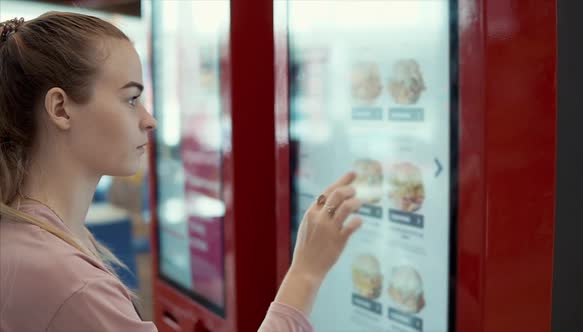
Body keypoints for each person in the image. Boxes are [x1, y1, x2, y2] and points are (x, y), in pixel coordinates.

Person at [0, 13, 363, 332]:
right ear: (61, 108)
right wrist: (306, 273)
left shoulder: (24, 238)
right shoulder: (70, 284)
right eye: (130, 99)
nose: (149, 120)